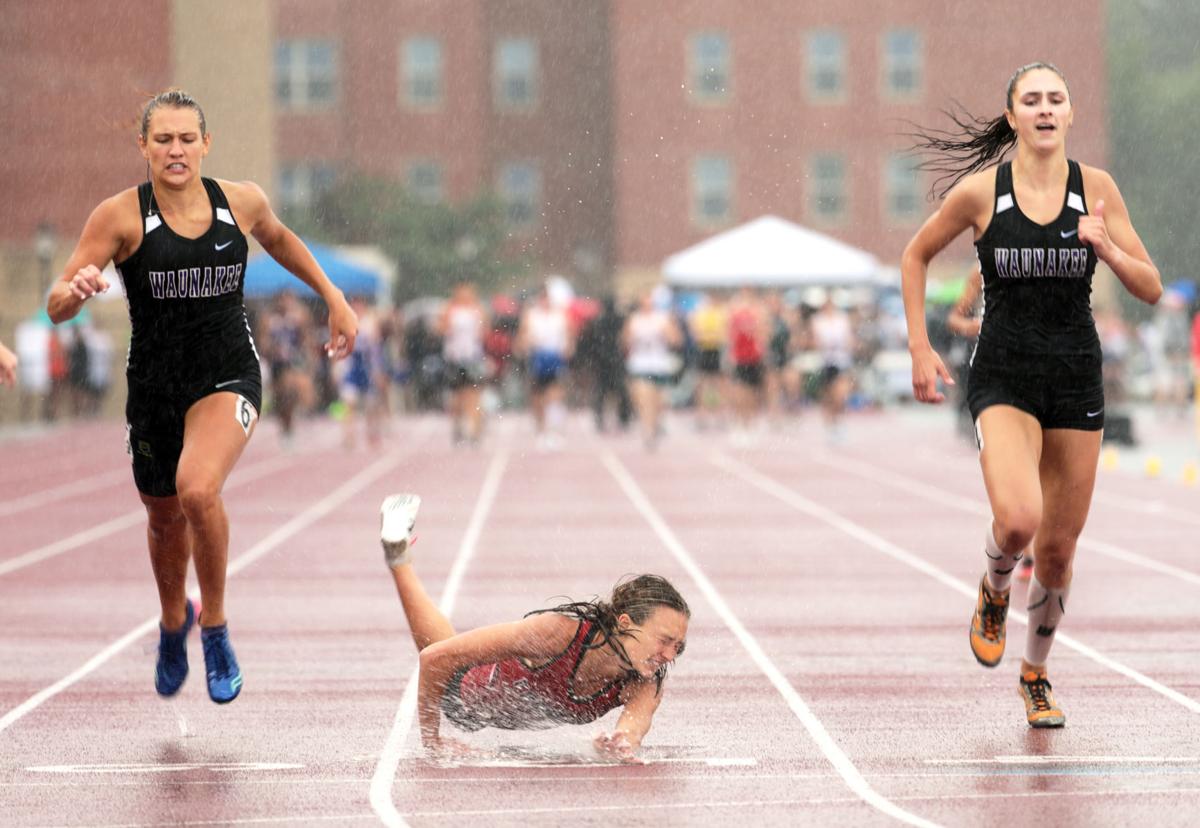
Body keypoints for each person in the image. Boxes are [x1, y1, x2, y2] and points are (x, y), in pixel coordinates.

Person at [46, 90, 358, 704]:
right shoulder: (118, 216)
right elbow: (57, 304)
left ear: (205, 143)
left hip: (226, 374)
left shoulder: (238, 201)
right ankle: (172, 622)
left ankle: (214, 625)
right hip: (155, 389)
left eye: (187, 138)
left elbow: (281, 238)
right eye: (162, 139)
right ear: (143, 147)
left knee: (196, 489)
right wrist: (76, 291)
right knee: (163, 518)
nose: (176, 150)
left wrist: (334, 296)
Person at [902, 63, 1161, 728]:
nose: (1046, 109)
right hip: (1005, 377)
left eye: (1057, 99)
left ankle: (1036, 673)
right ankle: (993, 591)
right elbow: (915, 254)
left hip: (1075, 377)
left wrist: (1107, 248)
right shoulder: (983, 193)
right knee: (1018, 521)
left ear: (1070, 114)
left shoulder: (1097, 191)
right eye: (1032, 100)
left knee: (1058, 552)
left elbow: (1151, 286)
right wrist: (920, 347)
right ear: (1013, 116)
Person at [378, 494, 690, 763]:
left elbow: (632, 731)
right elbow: (434, 659)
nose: (669, 654)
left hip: (492, 708)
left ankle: (398, 553)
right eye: (664, 640)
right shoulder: (558, 634)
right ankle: (398, 556)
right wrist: (433, 743)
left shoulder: (642, 683)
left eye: (678, 646)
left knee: (447, 644)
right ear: (625, 622)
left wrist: (619, 746)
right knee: (445, 648)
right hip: (462, 694)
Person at [517, 283, 574, 450]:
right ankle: (541, 430)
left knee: (555, 395)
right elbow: (522, 337)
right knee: (537, 398)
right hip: (537, 358)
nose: (545, 302)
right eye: (542, 299)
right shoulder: (531, 316)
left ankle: (554, 431)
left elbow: (570, 335)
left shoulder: (560, 316)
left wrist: (568, 349)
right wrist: (525, 345)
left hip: (555, 358)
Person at [624, 288, 682, 450]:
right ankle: (647, 430)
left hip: (659, 366)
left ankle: (654, 424)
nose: (647, 304)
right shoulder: (634, 320)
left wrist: (669, 329)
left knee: (658, 403)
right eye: (644, 301)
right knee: (643, 399)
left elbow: (676, 341)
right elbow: (625, 342)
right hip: (640, 365)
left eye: (649, 300)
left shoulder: (662, 319)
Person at [438, 281, 489, 446]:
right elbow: (440, 329)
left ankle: (475, 432)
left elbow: (484, 332)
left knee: (473, 395)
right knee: (457, 398)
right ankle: (459, 428)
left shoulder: (478, 310)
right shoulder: (449, 309)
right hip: (454, 358)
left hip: (472, 357)